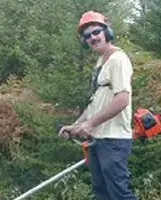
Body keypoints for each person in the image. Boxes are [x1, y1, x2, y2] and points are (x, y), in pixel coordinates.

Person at [58, 11, 137, 200]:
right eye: (87, 36)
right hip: (98, 139)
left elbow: (122, 99)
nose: (92, 38)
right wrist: (77, 125)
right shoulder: (101, 61)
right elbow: (96, 102)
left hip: (113, 140)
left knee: (119, 194)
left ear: (107, 32)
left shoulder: (118, 59)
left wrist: (91, 123)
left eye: (96, 32)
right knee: (102, 194)